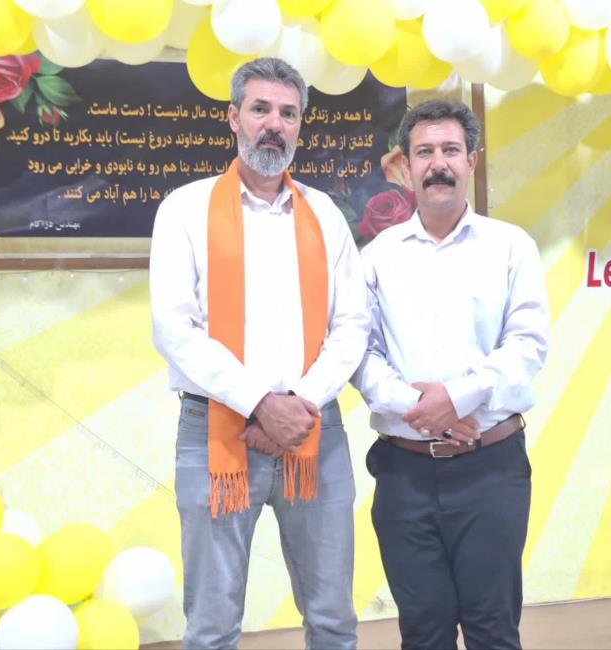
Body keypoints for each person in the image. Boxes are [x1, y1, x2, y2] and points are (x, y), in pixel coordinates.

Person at [149, 57, 369, 650]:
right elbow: (174, 327)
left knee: (333, 619)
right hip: (216, 431)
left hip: (314, 433)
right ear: (233, 118)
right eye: (261, 109)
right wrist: (259, 403)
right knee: (212, 627)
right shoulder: (185, 209)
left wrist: (299, 402)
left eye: (288, 114)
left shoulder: (325, 214)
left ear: (299, 126)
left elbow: (352, 324)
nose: (274, 124)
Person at [352, 99, 550, 650]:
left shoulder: (511, 246)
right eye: (424, 152)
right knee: (423, 633)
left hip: (491, 469)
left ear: (472, 161)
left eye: (450, 150)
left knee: (492, 630)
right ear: (404, 166)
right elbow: (360, 353)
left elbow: (528, 344)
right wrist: (421, 409)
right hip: (405, 473)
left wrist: (458, 399)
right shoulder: (377, 256)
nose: (438, 163)